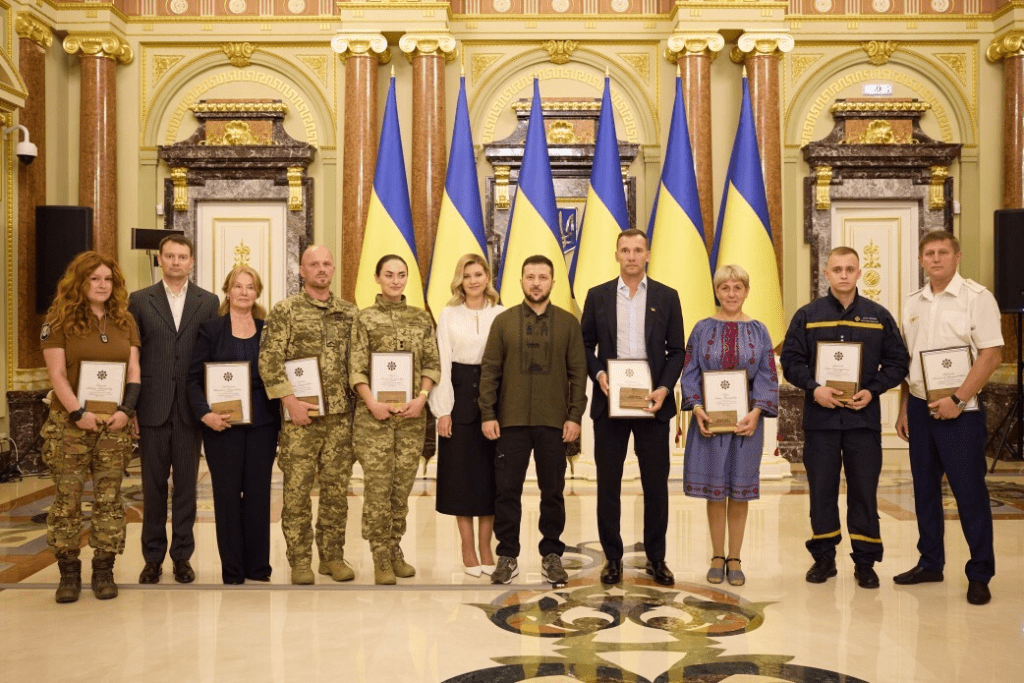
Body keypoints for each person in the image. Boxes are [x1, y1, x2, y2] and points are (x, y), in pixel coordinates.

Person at [780, 246, 909, 589]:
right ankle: (824, 558)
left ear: (859, 273)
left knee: (864, 492)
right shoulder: (807, 315)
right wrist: (813, 387)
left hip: (862, 420)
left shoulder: (878, 316)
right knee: (822, 491)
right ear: (826, 273)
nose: (843, 274)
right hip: (820, 421)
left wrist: (874, 389)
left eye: (849, 269)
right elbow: (790, 361)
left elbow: (898, 363)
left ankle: (865, 562)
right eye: (837, 269)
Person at [894, 231, 1003, 605]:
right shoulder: (912, 303)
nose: (936, 259)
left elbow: (991, 355)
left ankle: (980, 572)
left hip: (962, 411)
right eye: (929, 253)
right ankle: (930, 562)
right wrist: (903, 409)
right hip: (921, 410)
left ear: (957, 256)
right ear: (921, 260)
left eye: (943, 252)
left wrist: (958, 398)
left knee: (969, 493)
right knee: (924, 491)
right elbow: (909, 363)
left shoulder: (977, 298)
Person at [579, 229, 685, 587]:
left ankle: (657, 558)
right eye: (625, 250)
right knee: (608, 484)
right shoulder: (598, 297)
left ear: (648, 255)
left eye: (638, 250)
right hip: (611, 404)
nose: (632, 256)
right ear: (617, 255)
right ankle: (612, 559)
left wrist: (664, 388)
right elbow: (584, 345)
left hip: (652, 405)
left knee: (655, 485)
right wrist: (599, 376)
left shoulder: (667, 297)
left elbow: (677, 351)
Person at [479, 254, 588, 587]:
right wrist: (487, 413)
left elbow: (578, 374)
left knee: (552, 491)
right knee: (507, 491)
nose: (536, 282)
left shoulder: (569, 324)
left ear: (553, 282)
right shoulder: (504, 321)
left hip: (554, 422)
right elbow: (490, 371)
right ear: (521, 281)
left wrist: (574, 416)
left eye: (543, 277)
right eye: (530, 277)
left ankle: (551, 555)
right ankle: (507, 555)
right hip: (509, 421)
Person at [40, 251, 141, 603]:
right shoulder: (59, 319)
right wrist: (77, 412)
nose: (102, 285)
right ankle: (68, 572)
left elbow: (133, 372)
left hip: (114, 426)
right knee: (67, 501)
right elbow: (55, 374)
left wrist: (127, 410)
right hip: (70, 427)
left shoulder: (125, 320)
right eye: (94, 279)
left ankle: (103, 570)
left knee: (110, 499)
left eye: (108, 279)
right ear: (80, 283)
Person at [259, 245, 359, 585]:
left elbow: (358, 363)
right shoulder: (285, 311)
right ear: (301, 270)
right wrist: (290, 401)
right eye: (313, 264)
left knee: (336, 493)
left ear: (333, 270)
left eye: (327, 264)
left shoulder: (349, 312)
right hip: (300, 419)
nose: (321, 269)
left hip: (339, 418)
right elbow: (269, 361)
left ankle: (332, 556)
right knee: (297, 492)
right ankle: (300, 560)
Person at [679, 264, 778, 587]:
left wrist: (757, 412)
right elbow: (690, 370)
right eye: (725, 288)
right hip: (709, 421)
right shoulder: (701, 329)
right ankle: (717, 555)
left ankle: (735, 557)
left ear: (746, 291)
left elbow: (767, 374)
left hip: (746, 423)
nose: (731, 294)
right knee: (715, 492)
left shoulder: (760, 331)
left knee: (740, 492)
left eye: (737, 288)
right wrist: (695, 407)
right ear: (717, 292)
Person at [129, 234, 219, 584]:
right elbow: (131, 356)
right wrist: (132, 407)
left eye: (183, 256)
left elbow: (213, 357)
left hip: (189, 411)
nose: (176, 262)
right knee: (152, 489)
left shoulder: (208, 302)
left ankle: (182, 557)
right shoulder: (139, 300)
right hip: (151, 408)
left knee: (185, 487)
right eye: (170, 256)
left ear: (192, 262)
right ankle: (152, 558)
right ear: (160, 261)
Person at [350, 255, 441, 585]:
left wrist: (422, 399)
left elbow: (432, 363)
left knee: (401, 489)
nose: (395, 280)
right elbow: (356, 367)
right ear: (377, 277)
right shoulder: (364, 319)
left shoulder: (420, 319)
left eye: (401, 275)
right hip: (374, 420)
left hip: (410, 419)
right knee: (377, 489)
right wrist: (371, 402)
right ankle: (379, 555)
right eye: (388, 274)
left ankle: (395, 547)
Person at [186, 265, 280, 584]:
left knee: (257, 495)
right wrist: (205, 414)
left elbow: (278, 376)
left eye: (249, 286)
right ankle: (233, 569)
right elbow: (192, 379)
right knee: (226, 497)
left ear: (257, 293)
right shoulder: (210, 330)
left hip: (262, 425)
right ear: (227, 291)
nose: (243, 292)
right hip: (221, 425)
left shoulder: (268, 330)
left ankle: (258, 567)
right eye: (237, 286)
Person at [428, 254, 504, 577]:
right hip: (458, 399)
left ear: (488, 277)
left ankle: (487, 546)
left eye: (479, 274)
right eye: (467, 275)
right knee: (461, 478)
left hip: (492, 402)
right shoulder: (448, 314)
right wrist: (442, 409)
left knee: (490, 478)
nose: (473, 280)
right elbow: (442, 361)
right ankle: (468, 546)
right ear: (460, 280)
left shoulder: (501, 314)